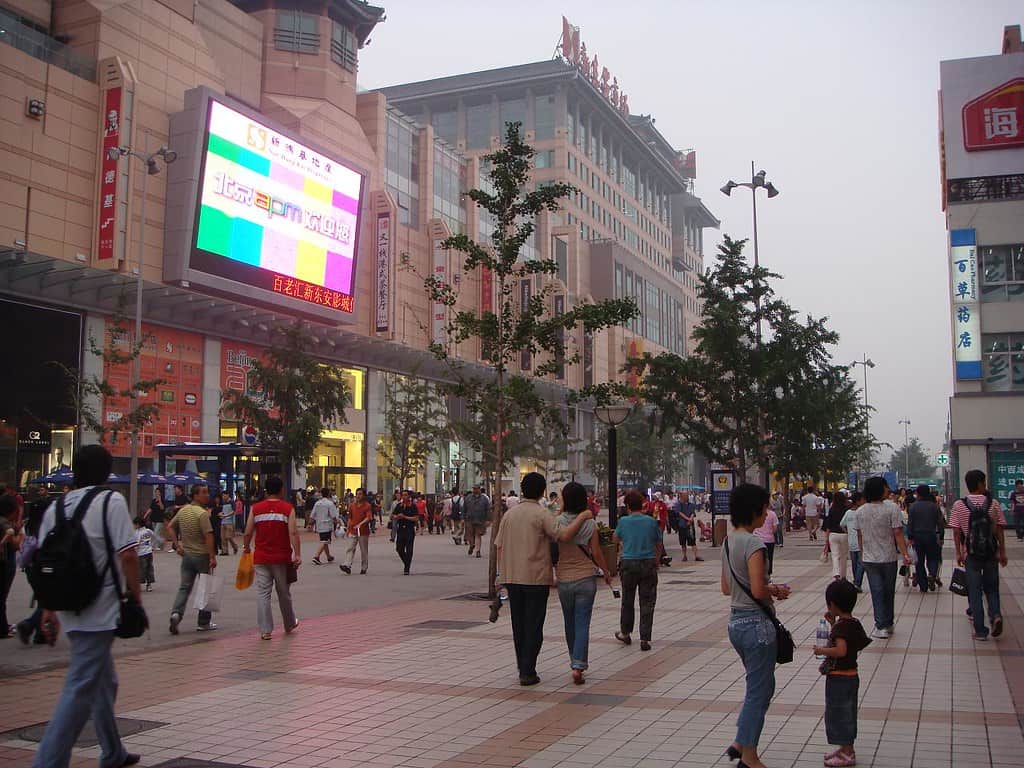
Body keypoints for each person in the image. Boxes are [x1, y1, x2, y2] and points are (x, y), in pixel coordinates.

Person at [32, 444, 143, 768]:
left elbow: (44, 561)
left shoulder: (57, 506)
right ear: (107, 472)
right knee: (80, 686)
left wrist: (48, 609)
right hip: (100, 606)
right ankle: (48, 762)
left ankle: (112, 751)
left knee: (104, 682)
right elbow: (129, 554)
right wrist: (134, 597)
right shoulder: (111, 501)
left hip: (67, 603)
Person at [494, 472, 592, 686]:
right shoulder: (541, 514)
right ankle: (528, 670)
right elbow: (564, 536)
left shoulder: (509, 515)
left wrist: (500, 576)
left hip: (512, 577)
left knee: (518, 624)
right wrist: (584, 516)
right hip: (535, 577)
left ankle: (523, 666)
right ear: (541, 492)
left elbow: (499, 545)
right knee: (534, 625)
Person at [721, 483, 791, 768]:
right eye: (764, 509)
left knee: (759, 686)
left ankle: (741, 741)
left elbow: (726, 588)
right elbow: (759, 590)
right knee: (759, 691)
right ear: (754, 511)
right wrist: (776, 589)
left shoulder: (728, 540)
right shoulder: (754, 543)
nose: (767, 514)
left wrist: (764, 588)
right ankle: (749, 755)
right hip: (756, 626)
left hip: (736, 623)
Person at [554, 482, 612, 685]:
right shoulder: (590, 523)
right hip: (586, 578)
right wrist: (606, 571)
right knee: (582, 622)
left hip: (564, 578)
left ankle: (574, 660)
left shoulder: (558, 521)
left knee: (569, 622)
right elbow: (596, 552)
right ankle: (578, 665)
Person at [812, 579, 871, 768]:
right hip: (851, 675)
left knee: (839, 713)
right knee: (847, 712)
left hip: (840, 678)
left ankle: (847, 753)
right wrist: (833, 624)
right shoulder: (852, 623)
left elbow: (841, 650)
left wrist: (821, 651)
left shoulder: (840, 628)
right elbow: (849, 641)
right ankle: (845, 748)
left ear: (833, 605)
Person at [950, 469, 1008, 641]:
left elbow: (956, 532)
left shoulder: (959, 505)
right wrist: (1002, 552)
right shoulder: (993, 503)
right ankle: (996, 615)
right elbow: (999, 530)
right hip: (990, 553)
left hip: (971, 555)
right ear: (980, 483)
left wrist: (959, 553)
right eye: (984, 482)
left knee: (974, 591)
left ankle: (981, 631)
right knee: (992, 588)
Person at [242, 476, 300, 640]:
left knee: (263, 593)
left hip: (261, 557)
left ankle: (265, 630)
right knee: (283, 592)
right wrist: (298, 553)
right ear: (281, 489)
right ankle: (289, 623)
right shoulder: (287, 509)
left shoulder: (256, 508)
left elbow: (247, 531)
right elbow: (293, 533)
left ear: (266, 490)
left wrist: (246, 548)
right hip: (281, 557)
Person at [857, 477, 912, 640]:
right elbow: (898, 533)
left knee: (877, 591)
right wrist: (905, 554)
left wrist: (861, 553)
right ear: (879, 489)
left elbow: (859, 535)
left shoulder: (861, 511)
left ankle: (882, 625)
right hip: (888, 557)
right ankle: (886, 623)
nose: (888, 490)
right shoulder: (892, 508)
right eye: (886, 487)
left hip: (870, 558)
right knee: (887, 591)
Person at [614, 489, 666, 651]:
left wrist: (625, 545)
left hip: (629, 563)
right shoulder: (651, 521)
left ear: (628, 506)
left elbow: (615, 539)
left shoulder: (623, 521)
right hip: (647, 562)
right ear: (642, 504)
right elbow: (658, 543)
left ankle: (625, 632)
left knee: (627, 600)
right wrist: (656, 561)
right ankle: (645, 638)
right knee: (647, 601)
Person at [164, 484, 217, 634]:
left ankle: (176, 614)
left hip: (187, 555)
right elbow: (209, 535)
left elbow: (170, 527)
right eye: (204, 493)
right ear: (195, 495)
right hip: (202, 555)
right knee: (205, 588)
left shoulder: (183, 511)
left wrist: (177, 546)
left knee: (184, 587)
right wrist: (212, 556)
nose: (207, 495)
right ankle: (204, 622)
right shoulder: (202, 514)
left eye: (207, 492)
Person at [907, 484, 944, 593]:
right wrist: (941, 536)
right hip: (931, 535)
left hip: (917, 536)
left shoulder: (913, 506)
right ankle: (932, 574)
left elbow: (910, 523)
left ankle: (923, 585)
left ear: (917, 493)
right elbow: (940, 523)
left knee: (919, 561)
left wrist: (910, 536)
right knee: (933, 558)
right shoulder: (934, 506)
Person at [0, 494, 23, 637]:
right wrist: (20, 532)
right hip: (3, 563)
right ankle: (2, 629)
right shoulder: (5, 523)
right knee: (2, 596)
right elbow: (16, 544)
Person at [340, 487, 372, 575]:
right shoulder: (352, 505)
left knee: (363, 550)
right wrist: (347, 529)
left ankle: (364, 567)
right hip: (353, 530)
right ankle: (347, 565)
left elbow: (368, 517)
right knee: (350, 548)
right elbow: (350, 518)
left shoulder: (367, 506)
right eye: (357, 494)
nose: (358, 496)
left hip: (363, 531)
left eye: (360, 494)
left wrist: (361, 524)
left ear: (364, 495)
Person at [841, 491, 865, 592]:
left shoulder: (848, 513)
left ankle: (856, 582)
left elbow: (842, 524)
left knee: (855, 564)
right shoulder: (862, 512)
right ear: (858, 501)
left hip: (851, 542)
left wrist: (848, 532)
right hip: (861, 543)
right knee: (861, 564)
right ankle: (857, 583)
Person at [822, 492, 849, 581]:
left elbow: (828, 525)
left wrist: (827, 537)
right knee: (844, 556)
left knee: (835, 555)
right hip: (844, 534)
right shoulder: (846, 509)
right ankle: (843, 575)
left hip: (833, 535)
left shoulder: (832, 509)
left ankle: (836, 573)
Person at [392, 491, 419, 575]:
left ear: (409, 496)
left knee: (409, 549)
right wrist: (397, 516)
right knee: (399, 548)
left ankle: (407, 568)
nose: (403, 497)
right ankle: (406, 562)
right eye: (402, 495)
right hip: (401, 529)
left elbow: (416, 518)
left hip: (409, 529)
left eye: (405, 495)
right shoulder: (399, 506)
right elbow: (392, 515)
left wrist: (405, 517)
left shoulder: (413, 506)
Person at [309, 487, 339, 565]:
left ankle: (329, 556)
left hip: (319, 524)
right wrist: (337, 523)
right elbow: (333, 515)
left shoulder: (317, 503)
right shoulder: (330, 503)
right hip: (327, 524)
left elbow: (312, 515)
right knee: (325, 541)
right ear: (328, 493)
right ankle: (316, 556)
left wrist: (310, 523)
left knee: (324, 540)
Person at [752, 501, 779, 577]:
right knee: (769, 558)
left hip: (757, 540)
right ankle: (768, 574)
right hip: (769, 540)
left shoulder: (756, 514)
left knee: (758, 558)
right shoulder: (772, 514)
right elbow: (775, 528)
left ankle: (758, 573)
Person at [463, 484, 491, 558]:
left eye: (477, 489)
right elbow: (464, 509)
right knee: (470, 535)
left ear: (479, 489)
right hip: (469, 519)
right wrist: (463, 518)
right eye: (474, 489)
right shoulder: (468, 498)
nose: (475, 490)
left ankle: (478, 551)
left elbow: (488, 509)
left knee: (478, 535)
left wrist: (488, 520)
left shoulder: (484, 499)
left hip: (480, 519)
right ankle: (472, 545)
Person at [133, 517, 156, 592]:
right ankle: (149, 585)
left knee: (141, 569)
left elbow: (137, 543)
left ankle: (138, 585)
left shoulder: (137, 533)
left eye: (135, 524)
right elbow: (154, 537)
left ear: (138, 524)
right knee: (149, 568)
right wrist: (152, 546)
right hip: (149, 552)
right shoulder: (148, 531)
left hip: (141, 554)